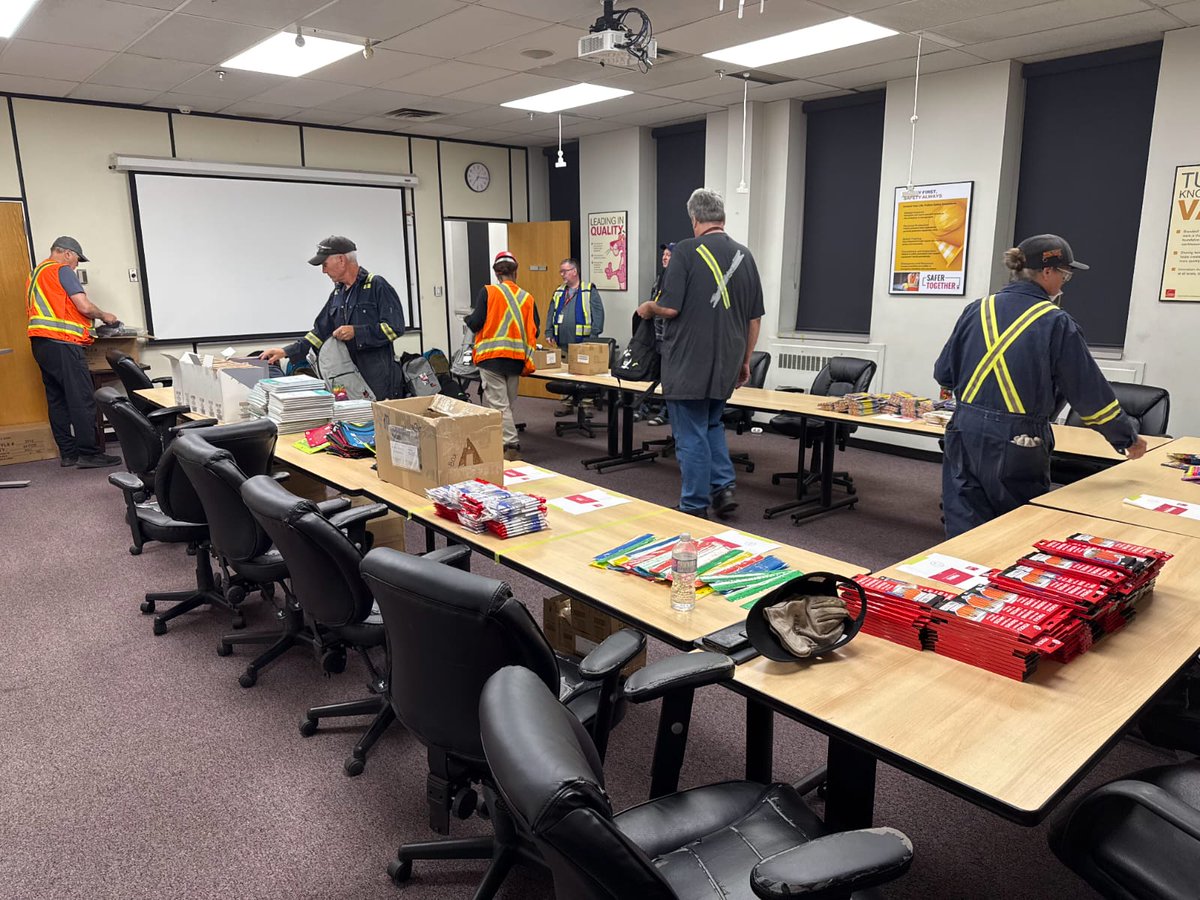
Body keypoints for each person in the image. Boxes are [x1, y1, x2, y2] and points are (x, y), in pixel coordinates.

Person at [934, 234, 1148, 538]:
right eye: (1065, 274)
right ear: (1047, 272)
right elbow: (1089, 395)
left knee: (963, 527)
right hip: (1018, 440)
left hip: (963, 431)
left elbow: (944, 373)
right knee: (1014, 530)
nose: (1065, 283)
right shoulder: (1056, 322)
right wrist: (1127, 438)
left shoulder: (977, 309)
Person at [637, 189, 763, 519]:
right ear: (722, 217)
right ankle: (723, 489)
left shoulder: (686, 250)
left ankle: (694, 505)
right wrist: (745, 360)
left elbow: (670, 307)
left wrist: (649, 307)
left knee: (690, 433)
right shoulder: (745, 255)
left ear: (694, 219)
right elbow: (754, 319)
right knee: (711, 424)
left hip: (688, 361)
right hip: (728, 360)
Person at [260, 236, 407, 399]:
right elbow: (319, 334)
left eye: (325, 264)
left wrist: (356, 332)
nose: (324, 271)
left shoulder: (376, 285)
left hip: (377, 380)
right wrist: (285, 351)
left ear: (341, 260)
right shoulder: (338, 294)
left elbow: (395, 328)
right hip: (346, 378)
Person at [27, 236, 121, 468]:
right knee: (81, 398)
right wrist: (105, 316)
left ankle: (68, 453)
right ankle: (89, 453)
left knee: (57, 400)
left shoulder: (36, 274)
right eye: (78, 260)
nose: (77, 265)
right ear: (67, 253)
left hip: (41, 345)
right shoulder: (61, 270)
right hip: (63, 344)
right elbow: (84, 306)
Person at [465, 250, 537, 461]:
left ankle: (510, 446)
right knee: (507, 404)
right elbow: (536, 329)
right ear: (516, 272)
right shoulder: (527, 298)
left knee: (499, 405)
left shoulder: (488, 292)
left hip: (492, 358)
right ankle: (500, 443)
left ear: (497, 274)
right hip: (516, 360)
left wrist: (468, 319)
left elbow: (476, 323)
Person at [636, 242, 673, 425]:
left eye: (669, 255)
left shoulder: (678, 280)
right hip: (654, 336)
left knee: (668, 378)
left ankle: (665, 412)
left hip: (669, 338)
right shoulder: (659, 279)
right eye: (664, 254)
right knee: (650, 373)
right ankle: (643, 407)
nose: (664, 257)